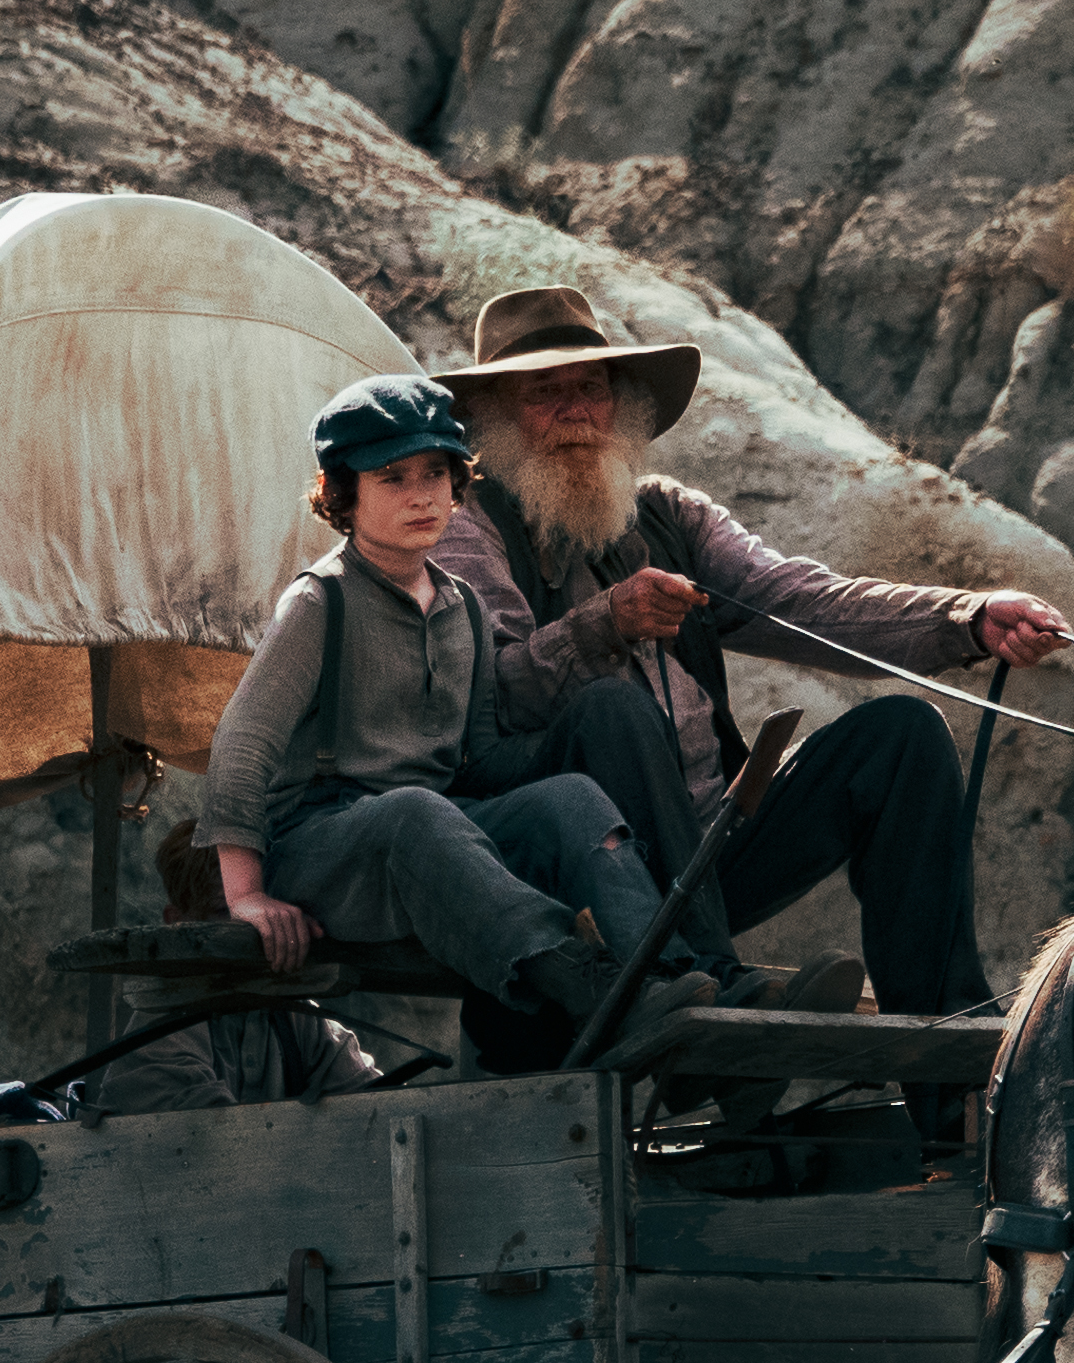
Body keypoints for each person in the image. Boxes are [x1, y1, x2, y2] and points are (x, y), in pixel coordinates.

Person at [437, 282, 1067, 1021]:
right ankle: (710, 985)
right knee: (612, 707)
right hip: (579, 874)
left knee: (904, 736)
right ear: (495, 417)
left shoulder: (669, 515)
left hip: (711, 846)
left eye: (593, 387)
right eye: (546, 393)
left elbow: (802, 602)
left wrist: (966, 617)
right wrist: (604, 621)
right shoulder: (465, 530)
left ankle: (950, 1026)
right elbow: (497, 697)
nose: (577, 409)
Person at [198, 373, 709, 1071]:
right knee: (415, 811)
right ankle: (595, 991)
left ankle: (668, 987)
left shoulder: (462, 606)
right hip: (320, 846)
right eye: (392, 478)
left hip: (432, 830)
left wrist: (560, 775)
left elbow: (483, 761)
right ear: (344, 496)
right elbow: (241, 746)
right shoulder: (322, 602)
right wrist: (247, 894)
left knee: (570, 798)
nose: (421, 496)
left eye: (436, 473)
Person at [82, 821, 400, 1114]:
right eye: (223, 914)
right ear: (176, 921)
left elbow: (368, 1096)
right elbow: (213, 1135)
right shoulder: (165, 1017)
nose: (249, 931)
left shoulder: (294, 1015)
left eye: (256, 913)